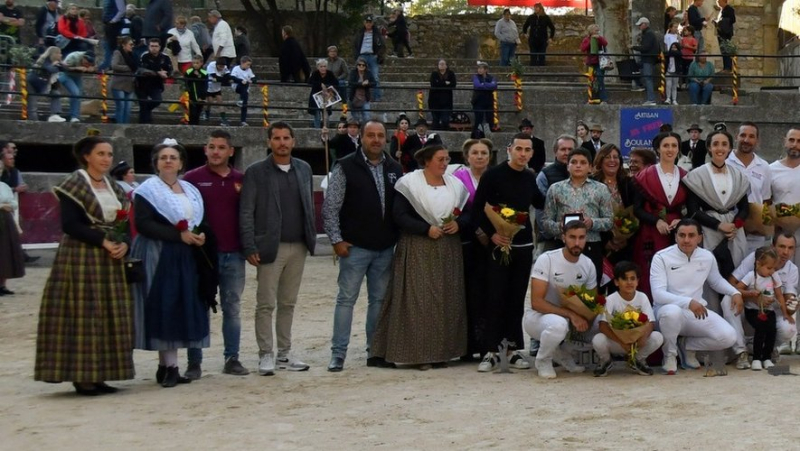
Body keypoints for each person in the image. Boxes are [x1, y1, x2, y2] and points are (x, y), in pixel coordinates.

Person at [34, 136, 134, 395]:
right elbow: (70, 224)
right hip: (80, 257)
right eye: (101, 153)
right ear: (87, 156)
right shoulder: (74, 184)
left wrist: (123, 243)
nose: (106, 159)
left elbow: (123, 224)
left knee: (108, 315)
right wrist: (103, 241)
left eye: (110, 154)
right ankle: (82, 375)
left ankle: (102, 373)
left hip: (110, 260)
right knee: (84, 315)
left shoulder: (114, 186)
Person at [371, 145, 469, 369]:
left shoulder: (455, 184)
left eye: (446, 159)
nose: (445, 163)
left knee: (447, 299)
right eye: (440, 159)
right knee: (419, 301)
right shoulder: (410, 184)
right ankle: (419, 354)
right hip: (418, 247)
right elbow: (400, 215)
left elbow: (468, 213)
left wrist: (458, 224)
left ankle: (442, 352)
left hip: (448, 248)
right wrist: (425, 229)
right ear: (427, 161)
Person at [323, 120, 404, 372]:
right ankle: (338, 353)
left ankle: (375, 351)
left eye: (380, 135)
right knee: (346, 300)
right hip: (354, 247)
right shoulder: (346, 166)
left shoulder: (395, 168)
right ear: (362, 138)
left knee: (378, 301)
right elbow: (331, 207)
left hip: (384, 247)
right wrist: (336, 240)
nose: (376, 140)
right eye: (371, 135)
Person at [131, 141, 212, 388]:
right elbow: (144, 224)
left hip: (186, 254)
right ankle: (167, 367)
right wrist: (178, 236)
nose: (168, 161)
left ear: (181, 163)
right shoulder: (148, 190)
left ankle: (172, 367)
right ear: (156, 163)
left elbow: (197, 220)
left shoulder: (190, 189)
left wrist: (200, 235)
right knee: (164, 305)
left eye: (173, 157)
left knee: (181, 306)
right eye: (163, 157)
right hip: (159, 252)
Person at [240, 122, 316, 376]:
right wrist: (249, 244)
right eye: (277, 138)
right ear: (269, 142)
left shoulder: (303, 169)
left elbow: (307, 205)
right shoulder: (256, 172)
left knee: (288, 302)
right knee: (265, 304)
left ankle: (284, 352)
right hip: (270, 246)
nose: (282, 142)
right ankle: (265, 354)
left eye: (286, 138)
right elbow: (247, 211)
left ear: (293, 141)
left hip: (299, 245)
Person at [472, 133, 545, 372]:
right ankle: (491, 351)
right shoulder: (492, 175)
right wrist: (491, 234)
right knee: (494, 296)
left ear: (532, 154)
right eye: (519, 149)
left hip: (523, 247)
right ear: (509, 149)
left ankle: (513, 349)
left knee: (516, 298)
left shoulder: (529, 177)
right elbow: (478, 210)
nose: (523, 154)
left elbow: (539, 202)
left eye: (527, 150)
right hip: (497, 245)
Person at [183, 130, 249, 378]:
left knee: (232, 307)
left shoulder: (241, 179)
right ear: (205, 149)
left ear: (231, 151)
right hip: (202, 256)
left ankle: (232, 358)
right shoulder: (191, 179)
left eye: (221, 147)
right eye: (212, 147)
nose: (216, 151)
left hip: (234, 254)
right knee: (198, 306)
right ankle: (194, 361)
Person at [651, 218, 740, 374]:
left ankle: (686, 347)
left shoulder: (706, 256)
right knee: (672, 312)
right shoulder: (661, 257)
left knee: (729, 337)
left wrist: (735, 292)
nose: (686, 240)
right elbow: (658, 294)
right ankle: (670, 356)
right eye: (682, 235)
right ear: (675, 236)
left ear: (700, 237)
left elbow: (716, 281)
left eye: (691, 235)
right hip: (666, 313)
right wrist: (688, 302)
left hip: (696, 311)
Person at [524, 220, 595, 379]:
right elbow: (537, 302)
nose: (577, 243)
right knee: (558, 325)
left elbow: (591, 302)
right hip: (538, 318)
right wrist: (570, 314)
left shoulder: (588, 264)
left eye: (581, 237)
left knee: (601, 326)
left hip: (569, 318)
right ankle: (543, 360)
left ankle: (562, 353)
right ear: (563, 237)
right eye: (572, 237)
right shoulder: (547, 259)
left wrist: (587, 317)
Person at [683, 129, 748, 293]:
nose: (720, 148)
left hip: (734, 232)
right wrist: (719, 225)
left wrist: (735, 226)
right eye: (716, 144)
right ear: (709, 148)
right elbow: (692, 210)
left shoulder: (738, 175)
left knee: (736, 271)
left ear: (730, 149)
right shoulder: (696, 175)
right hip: (708, 230)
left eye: (724, 144)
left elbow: (744, 207)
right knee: (711, 274)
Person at [542, 147, 613, 287]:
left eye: (583, 162)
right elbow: (545, 221)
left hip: (591, 244)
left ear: (590, 167)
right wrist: (560, 226)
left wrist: (592, 223)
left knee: (590, 288)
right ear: (568, 166)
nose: (578, 165)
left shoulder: (601, 189)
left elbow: (609, 220)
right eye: (573, 162)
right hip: (562, 245)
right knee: (560, 287)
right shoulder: (555, 189)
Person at [726, 233, 798, 365]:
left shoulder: (792, 269)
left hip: (771, 311)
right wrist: (753, 297)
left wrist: (792, 306)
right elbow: (731, 283)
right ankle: (741, 351)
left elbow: (787, 300)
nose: (785, 252)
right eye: (782, 246)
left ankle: (767, 350)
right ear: (772, 246)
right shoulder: (756, 258)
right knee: (727, 299)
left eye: (790, 248)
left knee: (790, 328)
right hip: (748, 308)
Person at [632, 131, 688, 298]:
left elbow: (692, 208)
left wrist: (681, 221)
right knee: (649, 271)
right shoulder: (644, 176)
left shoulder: (686, 176)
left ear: (678, 149)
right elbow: (637, 208)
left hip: (678, 232)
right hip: (651, 232)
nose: (670, 149)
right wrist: (656, 221)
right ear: (657, 149)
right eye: (665, 145)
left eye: (674, 145)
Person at [453, 138, 493, 359]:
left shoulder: (494, 177)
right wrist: (476, 230)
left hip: (491, 241)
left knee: (488, 293)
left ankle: (487, 342)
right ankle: (467, 346)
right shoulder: (458, 179)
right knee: (469, 293)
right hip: (467, 242)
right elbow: (456, 209)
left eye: (484, 153)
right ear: (467, 156)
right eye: (475, 153)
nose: (479, 157)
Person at [592, 262, 663, 376]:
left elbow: (650, 322)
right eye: (624, 279)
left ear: (637, 281)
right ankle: (606, 361)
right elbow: (603, 325)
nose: (629, 282)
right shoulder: (611, 299)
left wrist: (643, 338)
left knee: (657, 337)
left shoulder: (642, 297)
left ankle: (637, 360)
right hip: (617, 343)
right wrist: (621, 342)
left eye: (632, 278)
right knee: (598, 339)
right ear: (616, 282)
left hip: (636, 344)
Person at [728, 122, 772, 254]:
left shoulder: (764, 167)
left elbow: (766, 201)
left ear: (757, 140)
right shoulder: (725, 162)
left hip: (755, 234)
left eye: (751, 136)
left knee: (753, 271)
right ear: (736, 137)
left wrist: (764, 228)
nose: (746, 140)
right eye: (743, 135)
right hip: (730, 230)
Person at [592, 144, 635, 264]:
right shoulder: (592, 183)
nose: (612, 160)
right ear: (600, 160)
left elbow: (634, 210)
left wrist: (624, 239)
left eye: (615, 157)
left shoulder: (628, 183)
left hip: (625, 245)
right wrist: (607, 242)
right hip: (600, 244)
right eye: (607, 157)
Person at [770, 127, 800, 269]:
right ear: (785, 142)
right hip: (779, 235)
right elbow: (766, 202)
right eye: (792, 140)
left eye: (799, 141)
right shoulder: (770, 169)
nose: (795, 145)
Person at [0, 157, 24, 295]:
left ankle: (2, 285)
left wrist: (8, 206)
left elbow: (14, 203)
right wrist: (2, 205)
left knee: (5, 253)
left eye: (0, 169)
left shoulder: (3, 186)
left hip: (5, 220)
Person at [136, 38, 171, 124]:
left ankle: (146, 113)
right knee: (143, 104)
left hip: (156, 84)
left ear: (160, 47)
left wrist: (166, 73)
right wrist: (158, 72)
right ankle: (143, 123)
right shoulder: (144, 56)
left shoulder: (165, 57)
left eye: (156, 46)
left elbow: (169, 69)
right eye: (152, 46)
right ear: (148, 46)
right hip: (142, 84)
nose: (154, 48)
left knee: (157, 100)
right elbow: (144, 69)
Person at [26, 46, 66, 123]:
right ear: (54, 54)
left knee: (56, 94)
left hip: (44, 84)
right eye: (59, 53)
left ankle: (54, 115)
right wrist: (54, 65)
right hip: (33, 82)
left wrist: (61, 63)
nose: (61, 55)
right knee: (32, 104)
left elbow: (64, 69)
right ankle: (33, 121)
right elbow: (50, 69)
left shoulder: (55, 62)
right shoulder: (44, 60)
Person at [352, 15, 384, 102]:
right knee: (357, 76)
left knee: (375, 76)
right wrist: (356, 55)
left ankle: (377, 97)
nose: (368, 24)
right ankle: (354, 96)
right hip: (362, 55)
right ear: (364, 23)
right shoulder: (360, 33)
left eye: (370, 22)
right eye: (367, 22)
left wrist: (378, 55)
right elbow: (355, 45)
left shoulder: (377, 34)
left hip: (372, 56)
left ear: (372, 23)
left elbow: (382, 45)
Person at [58, 50, 95, 123]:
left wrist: (91, 69)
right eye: (86, 63)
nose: (86, 64)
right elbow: (64, 67)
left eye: (89, 64)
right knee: (75, 92)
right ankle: (74, 116)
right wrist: (76, 68)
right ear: (83, 57)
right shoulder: (74, 56)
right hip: (65, 74)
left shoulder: (92, 61)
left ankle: (75, 115)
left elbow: (95, 67)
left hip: (77, 76)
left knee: (78, 95)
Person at [631, 17, 659, 106]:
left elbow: (646, 47)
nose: (639, 26)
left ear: (645, 24)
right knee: (644, 76)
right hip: (648, 58)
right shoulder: (648, 33)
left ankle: (651, 99)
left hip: (648, 59)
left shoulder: (648, 34)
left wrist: (634, 47)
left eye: (640, 25)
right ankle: (646, 93)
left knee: (648, 78)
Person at [110, 36, 137, 124]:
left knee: (128, 108)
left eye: (133, 44)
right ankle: (119, 126)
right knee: (121, 106)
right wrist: (128, 68)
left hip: (129, 85)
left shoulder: (132, 55)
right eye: (130, 44)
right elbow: (114, 66)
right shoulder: (118, 53)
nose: (132, 46)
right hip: (118, 84)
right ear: (123, 45)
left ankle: (125, 126)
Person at [580, 24, 608, 104]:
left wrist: (599, 38)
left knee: (600, 80)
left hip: (600, 63)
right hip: (591, 62)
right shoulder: (587, 39)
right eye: (596, 30)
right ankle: (591, 99)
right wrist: (590, 41)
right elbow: (583, 48)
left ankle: (603, 99)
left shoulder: (600, 38)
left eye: (598, 30)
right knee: (591, 81)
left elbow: (605, 43)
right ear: (591, 31)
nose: (597, 32)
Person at [307, 58, 339, 129]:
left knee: (326, 115)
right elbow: (310, 82)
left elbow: (336, 83)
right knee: (317, 115)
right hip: (316, 97)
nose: (323, 68)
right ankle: (317, 130)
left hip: (327, 97)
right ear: (318, 67)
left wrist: (327, 86)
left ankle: (326, 129)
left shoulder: (330, 73)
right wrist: (320, 84)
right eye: (321, 66)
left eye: (324, 66)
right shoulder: (315, 73)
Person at [428, 59, 456, 131]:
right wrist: (445, 83)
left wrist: (440, 83)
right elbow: (434, 84)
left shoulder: (451, 74)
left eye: (443, 64)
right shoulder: (434, 74)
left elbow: (453, 84)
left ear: (446, 65)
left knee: (445, 120)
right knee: (435, 121)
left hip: (446, 102)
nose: (442, 65)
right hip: (434, 101)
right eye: (440, 64)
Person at [347, 57, 376, 125]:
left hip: (365, 98)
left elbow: (374, 83)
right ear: (357, 65)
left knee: (367, 117)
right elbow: (350, 83)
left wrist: (368, 83)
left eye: (363, 65)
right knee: (355, 118)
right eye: (359, 65)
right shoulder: (353, 72)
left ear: (366, 66)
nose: (361, 66)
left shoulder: (368, 73)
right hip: (354, 97)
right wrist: (361, 84)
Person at [471, 61, 497, 137]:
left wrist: (484, 84)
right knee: (478, 118)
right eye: (478, 68)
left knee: (490, 118)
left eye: (481, 68)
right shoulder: (476, 77)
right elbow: (477, 85)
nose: (479, 70)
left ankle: (490, 132)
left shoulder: (491, 77)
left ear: (486, 70)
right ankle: (476, 133)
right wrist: (487, 86)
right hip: (478, 101)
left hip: (488, 101)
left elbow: (494, 86)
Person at [99, 0, 126, 71]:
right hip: (108, 25)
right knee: (108, 46)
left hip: (113, 26)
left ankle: (105, 68)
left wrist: (113, 21)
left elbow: (122, 10)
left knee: (111, 48)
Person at [204, 58, 231, 125]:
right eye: (220, 67)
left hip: (217, 87)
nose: (221, 68)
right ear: (216, 65)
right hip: (209, 87)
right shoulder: (211, 66)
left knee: (220, 102)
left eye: (223, 67)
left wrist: (223, 79)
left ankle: (223, 118)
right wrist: (223, 79)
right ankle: (206, 113)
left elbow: (228, 76)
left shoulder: (225, 67)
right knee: (210, 102)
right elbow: (215, 76)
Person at [230, 56, 256, 126]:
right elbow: (233, 77)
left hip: (245, 89)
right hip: (237, 86)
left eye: (249, 65)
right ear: (242, 63)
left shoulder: (249, 70)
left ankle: (243, 120)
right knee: (244, 85)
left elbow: (253, 77)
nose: (248, 66)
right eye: (247, 64)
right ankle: (241, 100)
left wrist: (252, 81)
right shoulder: (236, 68)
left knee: (245, 104)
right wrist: (241, 81)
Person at [184, 55, 208, 126]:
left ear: (201, 63)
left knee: (198, 113)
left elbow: (205, 85)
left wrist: (203, 97)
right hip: (191, 96)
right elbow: (186, 83)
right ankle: (190, 126)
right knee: (192, 113)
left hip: (201, 96)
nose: (195, 65)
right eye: (194, 63)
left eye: (197, 63)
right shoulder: (188, 72)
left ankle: (196, 126)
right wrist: (188, 96)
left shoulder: (204, 72)